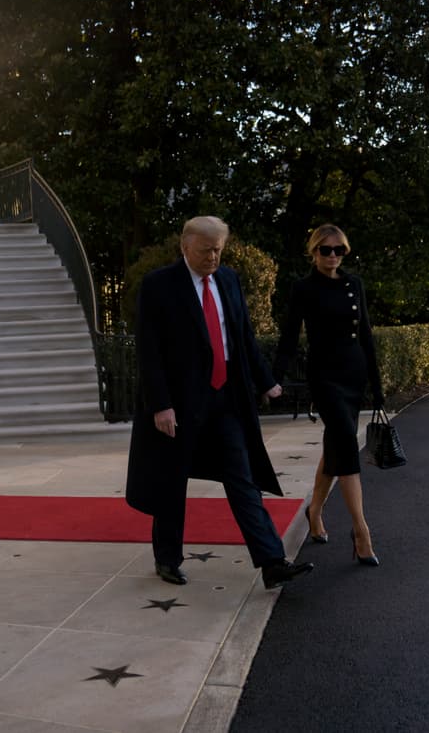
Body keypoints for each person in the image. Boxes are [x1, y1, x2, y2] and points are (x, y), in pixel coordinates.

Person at [125, 216, 314, 590]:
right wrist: (160, 405)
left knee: (242, 478)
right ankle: (167, 558)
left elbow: (241, 336)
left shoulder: (228, 280)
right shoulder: (159, 286)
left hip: (226, 399)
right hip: (180, 405)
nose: (213, 256)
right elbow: (149, 352)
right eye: (205, 250)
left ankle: (272, 561)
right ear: (185, 247)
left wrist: (267, 381)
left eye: (218, 249)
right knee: (171, 481)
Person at [274, 224, 383, 567]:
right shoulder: (304, 288)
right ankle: (361, 531)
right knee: (346, 448)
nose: (333, 256)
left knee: (336, 446)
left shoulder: (355, 285)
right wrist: (273, 378)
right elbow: (290, 336)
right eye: (326, 250)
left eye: (339, 250)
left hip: (354, 375)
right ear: (314, 252)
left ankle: (314, 511)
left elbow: (365, 333)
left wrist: (377, 387)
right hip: (325, 379)